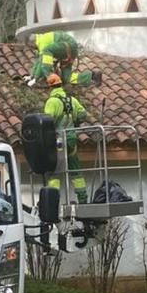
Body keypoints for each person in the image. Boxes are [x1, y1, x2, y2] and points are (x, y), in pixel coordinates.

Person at [43, 74, 89, 204]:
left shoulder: (52, 102)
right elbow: (83, 114)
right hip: (71, 140)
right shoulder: (72, 100)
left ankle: (53, 201)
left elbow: (47, 122)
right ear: (60, 85)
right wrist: (75, 123)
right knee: (75, 169)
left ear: (49, 87)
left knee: (54, 171)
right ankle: (83, 198)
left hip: (58, 141)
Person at [27, 32, 100, 87]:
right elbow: (38, 62)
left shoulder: (42, 41)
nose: (33, 49)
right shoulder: (42, 42)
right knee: (66, 78)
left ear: (33, 42)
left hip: (67, 45)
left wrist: (35, 79)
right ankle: (92, 76)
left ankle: (50, 76)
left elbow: (42, 62)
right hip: (69, 52)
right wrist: (31, 76)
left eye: (31, 46)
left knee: (46, 52)